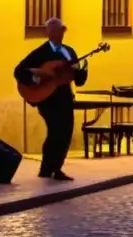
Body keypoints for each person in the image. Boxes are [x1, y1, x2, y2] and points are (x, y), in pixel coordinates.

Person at [13, 17, 88, 180]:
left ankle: (54, 168)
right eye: (55, 31)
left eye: (61, 30)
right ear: (49, 33)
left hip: (65, 97)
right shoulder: (41, 53)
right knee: (55, 131)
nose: (59, 34)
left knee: (66, 132)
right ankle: (49, 168)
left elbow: (78, 80)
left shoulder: (69, 52)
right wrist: (38, 80)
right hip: (47, 98)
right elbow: (19, 71)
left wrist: (82, 70)